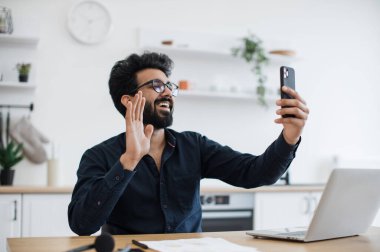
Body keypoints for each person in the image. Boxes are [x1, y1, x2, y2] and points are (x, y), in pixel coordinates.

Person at [68, 52, 309, 235]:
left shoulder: (193, 145)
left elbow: (256, 173)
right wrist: (128, 161)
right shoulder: (98, 156)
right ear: (129, 100)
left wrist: (290, 137)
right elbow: (82, 224)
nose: (168, 93)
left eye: (169, 86)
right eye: (156, 86)